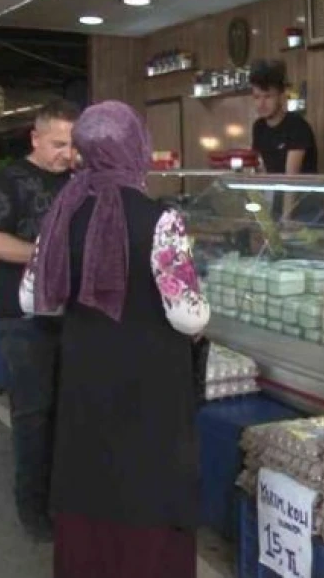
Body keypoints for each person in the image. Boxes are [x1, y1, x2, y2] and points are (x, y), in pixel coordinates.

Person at [24, 101, 208, 578]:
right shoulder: (161, 220)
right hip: (149, 384)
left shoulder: (62, 212)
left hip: (86, 373)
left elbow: (32, 298)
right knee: (146, 483)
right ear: (135, 148)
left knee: (92, 478)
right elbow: (187, 316)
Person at [0, 99, 79, 541]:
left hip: (72, 315)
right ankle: (33, 509)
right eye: (58, 144)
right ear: (35, 138)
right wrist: (48, 256)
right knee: (34, 413)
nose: (67, 153)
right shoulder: (8, 179)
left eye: (74, 145)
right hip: (24, 319)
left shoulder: (80, 180)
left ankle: (65, 498)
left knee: (69, 412)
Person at [250, 59, 321, 225]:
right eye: (256, 97)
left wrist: (286, 219)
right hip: (277, 207)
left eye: (268, 96)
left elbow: (292, 178)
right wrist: (263, 216)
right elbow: (263, 173)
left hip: (305, 211)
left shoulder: (297, 126)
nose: (261, 103)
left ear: (281, 96)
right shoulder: (258, 127)